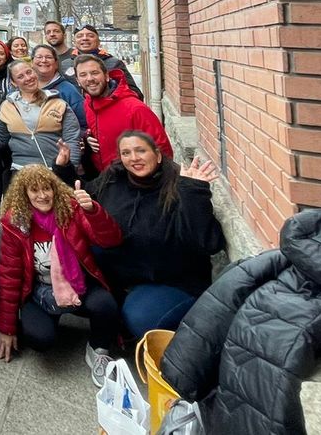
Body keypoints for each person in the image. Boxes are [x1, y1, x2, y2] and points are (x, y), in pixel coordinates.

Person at [0, 165, 122, 386]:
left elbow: (111, 239)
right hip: (38, 289)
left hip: (76, 284)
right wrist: (7, 328)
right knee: (40, 340)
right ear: (24, 194)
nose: (42, 195)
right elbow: (9, 275)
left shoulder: (71, 210)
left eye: (47, 188)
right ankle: (49, 311)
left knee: (105, 304)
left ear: (55, 189)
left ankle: (98, 349)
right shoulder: (16, 224)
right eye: (34, 190)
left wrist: (93, 211)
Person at [88, 132, 225, 338]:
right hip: (128, 276)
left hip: (173, 282)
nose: (134, 158)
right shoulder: (113, 180)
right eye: (126, 153)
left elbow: (208, 243)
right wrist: (64, 168)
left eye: (141, 151)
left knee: (140, 318)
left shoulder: (180, 186)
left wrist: (195, 191)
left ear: (158, 155)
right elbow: (79, 193)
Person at [0, 60, 80, 189]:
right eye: (20, 76)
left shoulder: (58, 103)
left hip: (54, 171)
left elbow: (72, 139)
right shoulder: (7, 106)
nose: (28, 78)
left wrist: (70, 168)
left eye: (29, 72)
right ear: (13, 83)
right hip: (20, 172)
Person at [75, 54, 173, 170]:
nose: (90, 78)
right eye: (83, 75)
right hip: (104, 177)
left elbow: (162, 150)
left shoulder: (135, 109)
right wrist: (88, 137)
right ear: (78, 81)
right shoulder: (88, 105)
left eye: (95, 73)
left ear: (106, 76)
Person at [62, 24, 143, 99]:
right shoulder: (65, 65)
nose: (85, 38)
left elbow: (134, 93)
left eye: (90, 36)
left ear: (98, 41)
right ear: (74, 42)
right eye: (79, 36)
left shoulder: (114, 63)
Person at [31, 44, 86, 128]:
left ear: (56, 64)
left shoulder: (68, 90)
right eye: (39, 57)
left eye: (49, 57)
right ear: (32, 62)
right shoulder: (23, 88)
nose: (44, 60)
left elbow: (84, 123)